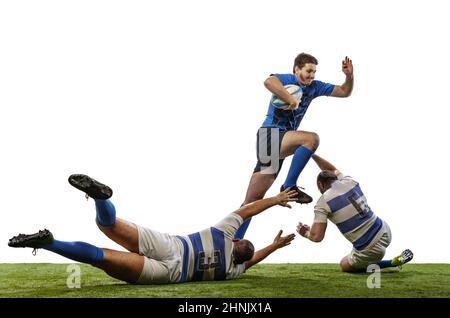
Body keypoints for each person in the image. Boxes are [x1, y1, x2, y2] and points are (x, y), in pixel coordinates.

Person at [8, 174, 297, 284]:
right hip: (170, 275)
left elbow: (247, 210)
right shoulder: (234, 270)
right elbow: (254, 258)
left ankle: (101, 199)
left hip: (173, 246)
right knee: (100, 256)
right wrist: (274, 247)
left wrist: (276, 199)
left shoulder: (223, 234)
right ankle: (48, 242)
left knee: (108, 225)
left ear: (237, 241)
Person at [235, 53, 354, 239]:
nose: (312, 75)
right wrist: (290, 99)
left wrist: (349, 76)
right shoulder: (288, 79)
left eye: (314, 72)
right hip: (270, 135)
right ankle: (289, 185)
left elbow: (344, 92)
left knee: (252, 201)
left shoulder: (314, 87)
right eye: (308, 71)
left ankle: (234, 241)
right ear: (297, 69)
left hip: (280, 143)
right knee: (311, 139)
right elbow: (268, 82)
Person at [296, 154, 413, 272]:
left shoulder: (322, 203)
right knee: (357, 249)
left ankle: (392, 262)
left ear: (320, 185)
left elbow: (317, 237)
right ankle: (370, 258)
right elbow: (332, 170)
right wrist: (311, 154)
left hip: (369, 248)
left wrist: (306, 232)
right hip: (384, 230)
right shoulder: (349, 181)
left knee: (344, 264)